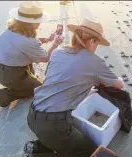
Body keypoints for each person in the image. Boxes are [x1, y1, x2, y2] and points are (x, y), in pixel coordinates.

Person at [25, 18, 124, 157]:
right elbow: (119, 85)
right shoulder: (95, 61)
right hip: (54, 126)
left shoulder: (58, 52)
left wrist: (86, 90)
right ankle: (40, 153)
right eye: (97, 43)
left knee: (64, 140)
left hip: (32, 115)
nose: (96, 48)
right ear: (92, 41)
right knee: (90, 151)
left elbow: (55, 81)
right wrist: (118, 78)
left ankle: (37, 146)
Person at [0, 1, 63, 107]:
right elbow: (45, 58)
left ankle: (25, 81)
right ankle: (5, 95)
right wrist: (55, 44)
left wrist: (47, 39)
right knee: (39, 89)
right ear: (31, 23)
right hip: (8, 74)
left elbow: (27, 44)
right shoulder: (27, 41)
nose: (40, 23)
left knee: (29, 55)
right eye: (38, 21)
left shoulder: (13, 28)